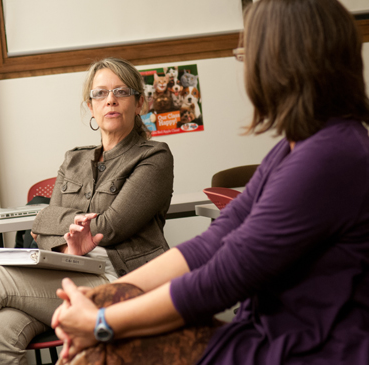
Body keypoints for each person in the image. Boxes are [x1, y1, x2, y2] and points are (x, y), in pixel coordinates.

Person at [51, 1, 369, 364]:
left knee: (100, 352)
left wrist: (101, 322)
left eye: (248, 52)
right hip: (268, 333)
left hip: (308, 349)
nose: (246, 65)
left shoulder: (329, 157)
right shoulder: (293, 149)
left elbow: (224, 276)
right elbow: (214, 241)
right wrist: (102, 300)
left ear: (281, 63)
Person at [0, 57, 174, 364]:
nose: (110, 100)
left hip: (121, 279)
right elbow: (42, 228)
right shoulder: (74, 160)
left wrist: (56, 220)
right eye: (100, 94)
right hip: (68, 272)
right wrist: (68, 242)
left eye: (121, 92)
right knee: (2, 326)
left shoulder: (155, 157)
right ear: (90, 107)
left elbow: (110, 226)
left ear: (139, 102)